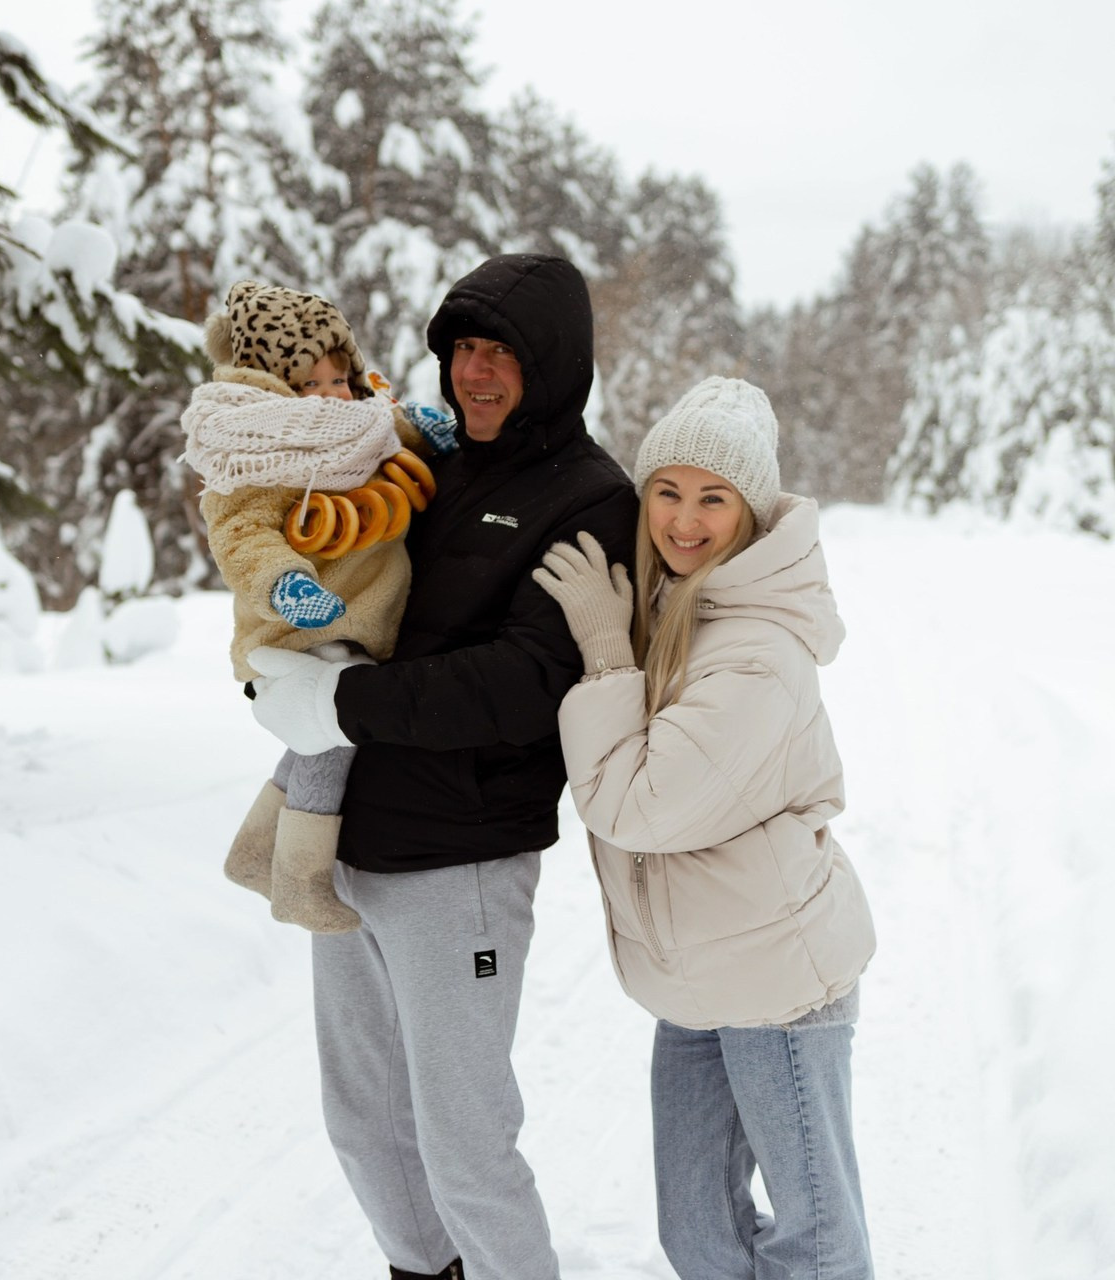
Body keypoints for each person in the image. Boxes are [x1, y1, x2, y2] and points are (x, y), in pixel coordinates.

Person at [245, 254, 639, 1280]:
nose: (476, 370)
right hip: (353, 841)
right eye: (464, 347)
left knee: (463, 1145)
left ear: (552, 366)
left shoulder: (593, 500)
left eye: (501, 350)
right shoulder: (427, 462)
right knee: (363, 1122)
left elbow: (520, 680)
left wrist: (341, 702)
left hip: (460, 861)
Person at [534, 376, 876, 1279]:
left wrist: (605, 655)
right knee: (698, 1236)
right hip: (698, 986)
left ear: (753, 512)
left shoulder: (758, 650)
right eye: (668, 491)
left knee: (817, 1245)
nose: (685, 520)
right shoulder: (683, 607)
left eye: (714, 498)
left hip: (777, 986)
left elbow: (638, 808)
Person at [181, 280, 454, 933]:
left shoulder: (360, 426)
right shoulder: (255, 449)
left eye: (340, 377)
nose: (333, 395)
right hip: (301, 629)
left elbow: (389, 433)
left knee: (314, 746)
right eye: (311, 384)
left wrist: (425, 429)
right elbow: (241, 534)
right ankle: (299, 882)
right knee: (329, 739)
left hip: (351, 624)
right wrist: (284, 583)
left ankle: (253, 854)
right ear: (272, 386)